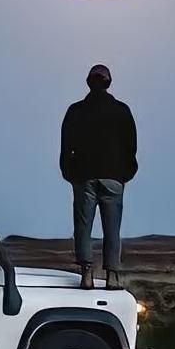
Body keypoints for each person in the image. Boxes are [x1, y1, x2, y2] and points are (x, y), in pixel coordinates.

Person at [59, 64, 138, 290]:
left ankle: (87, 274)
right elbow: (131, 147)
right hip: (113, 177)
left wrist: (69, 172)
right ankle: (112, 275)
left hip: (84, 177)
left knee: (83, 226)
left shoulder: (76, 111)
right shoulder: (121, 110)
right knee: (112, 228)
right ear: (109, 83)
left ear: (88, 82)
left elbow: (66, 146)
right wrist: (125, 173)